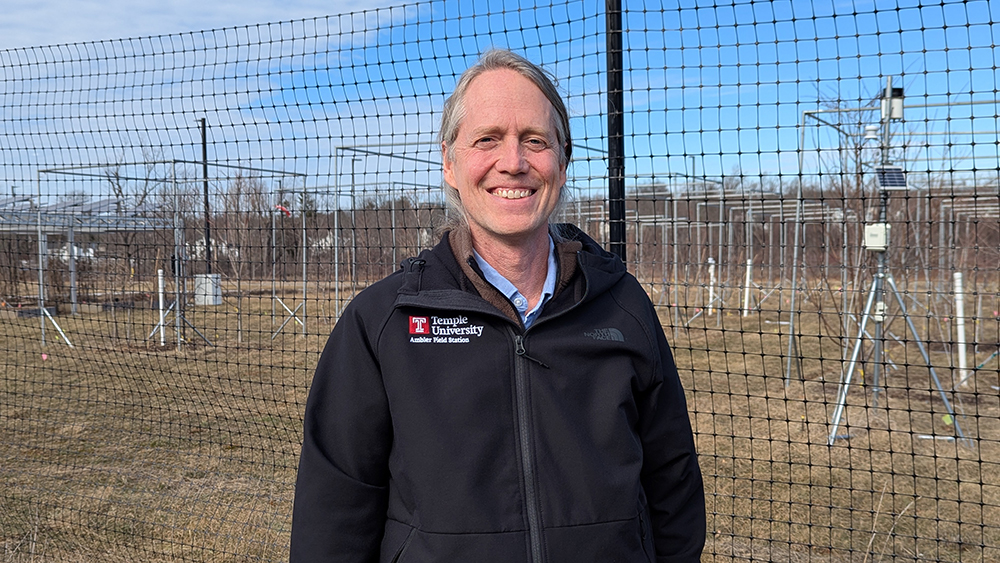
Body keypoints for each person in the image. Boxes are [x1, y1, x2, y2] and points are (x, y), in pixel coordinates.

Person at [291, 48, 705, 562]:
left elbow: (673, 484)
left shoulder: (621, 306)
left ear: (563, 160)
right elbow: (333, 516)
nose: (513, 162)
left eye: (536, 141)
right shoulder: (382, 324)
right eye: (487, 139)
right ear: (450, 162)